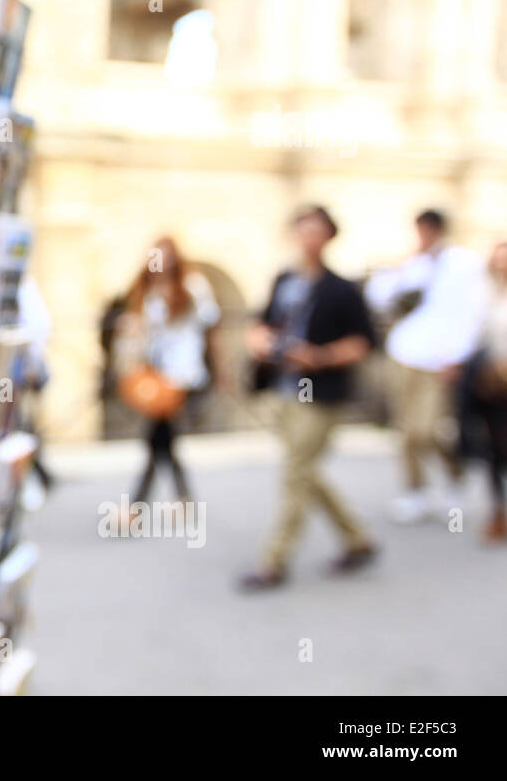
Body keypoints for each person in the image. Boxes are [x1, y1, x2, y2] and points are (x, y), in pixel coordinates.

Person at [240, 205, 378, 590]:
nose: (309, 238)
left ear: (329, 236)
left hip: (320, 392)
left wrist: (319, 357)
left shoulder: (341, 288)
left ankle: (274, 560)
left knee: (296, 473)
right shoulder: (284, 279)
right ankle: (357, 538)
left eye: (316, 231)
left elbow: (363, 341)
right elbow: (260, 323)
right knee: (305, 470)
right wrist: (261, 341)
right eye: (303, 230)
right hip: (283, 388)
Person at [364, 210, 486, 523]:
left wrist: (457, 356)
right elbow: (378, 297)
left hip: (439, 359)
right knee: (405, 430)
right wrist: (401, 265)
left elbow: (472, 312)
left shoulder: (464, 263)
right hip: (405, 354)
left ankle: (453, 476)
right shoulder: (412, 264)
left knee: (429, 430)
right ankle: (415, 490)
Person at [115, 238, 221, 508]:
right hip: (154, 375)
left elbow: (210, 329)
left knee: (158, 440)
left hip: (181, 374)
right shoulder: (147, 291)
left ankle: (137, 507)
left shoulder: (192, 287)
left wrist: (218, 372)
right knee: (163, 441)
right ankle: (181, 499)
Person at [459, 242, 507, 542]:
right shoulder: (483, 295)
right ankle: (498, 513)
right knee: (495, 450)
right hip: (491, 385)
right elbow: (471, 338)